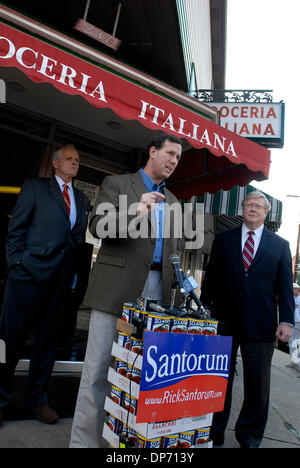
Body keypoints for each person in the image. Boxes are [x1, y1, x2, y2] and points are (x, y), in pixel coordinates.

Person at [70, 133, 184, 448]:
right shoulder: (118, 184)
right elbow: (97, 227)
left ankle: (118, 443)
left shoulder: (173, 201)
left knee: (136, 379)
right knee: (98, 372)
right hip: (116, 291)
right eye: (170, 153)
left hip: (156, 298)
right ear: (152, 151)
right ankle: (83, 444)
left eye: (178, 157)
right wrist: (136, 208)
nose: (174, 161)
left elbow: (172, 250)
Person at [0, 144, 90, 426]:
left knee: (46, 346)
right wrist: (17, 264)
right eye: (69, 159)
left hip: (59, 285)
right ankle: (1, 400)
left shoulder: (81, 198)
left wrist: (74, 279)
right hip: (27, 278)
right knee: (10, 341)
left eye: (77, 160)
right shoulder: (35, 188)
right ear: (55, 163)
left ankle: (37, 399)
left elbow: (76, 242)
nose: (75, 163)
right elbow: (16, 229)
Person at [200, 191, 294, 448]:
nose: (253, 209)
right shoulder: (224, 239)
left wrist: (286, 321)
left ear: (266, 213)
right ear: (242, 209)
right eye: (248, 205)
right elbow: (212, 278)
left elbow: (285, 287)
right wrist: (204, 310)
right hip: (224, 321)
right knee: (218, 380)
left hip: (261, 325)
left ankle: (250, 435)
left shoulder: (280, 245)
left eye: (258, 206)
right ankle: (214, 431)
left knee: (258, 385)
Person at [286, 283, 300, 371]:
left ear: (296, 289)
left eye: (292, 289)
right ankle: (294, 361)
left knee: (298, 342)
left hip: (299, 322)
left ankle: (298, 363)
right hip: (294, 322)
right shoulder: (294, 298)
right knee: (292, 341)